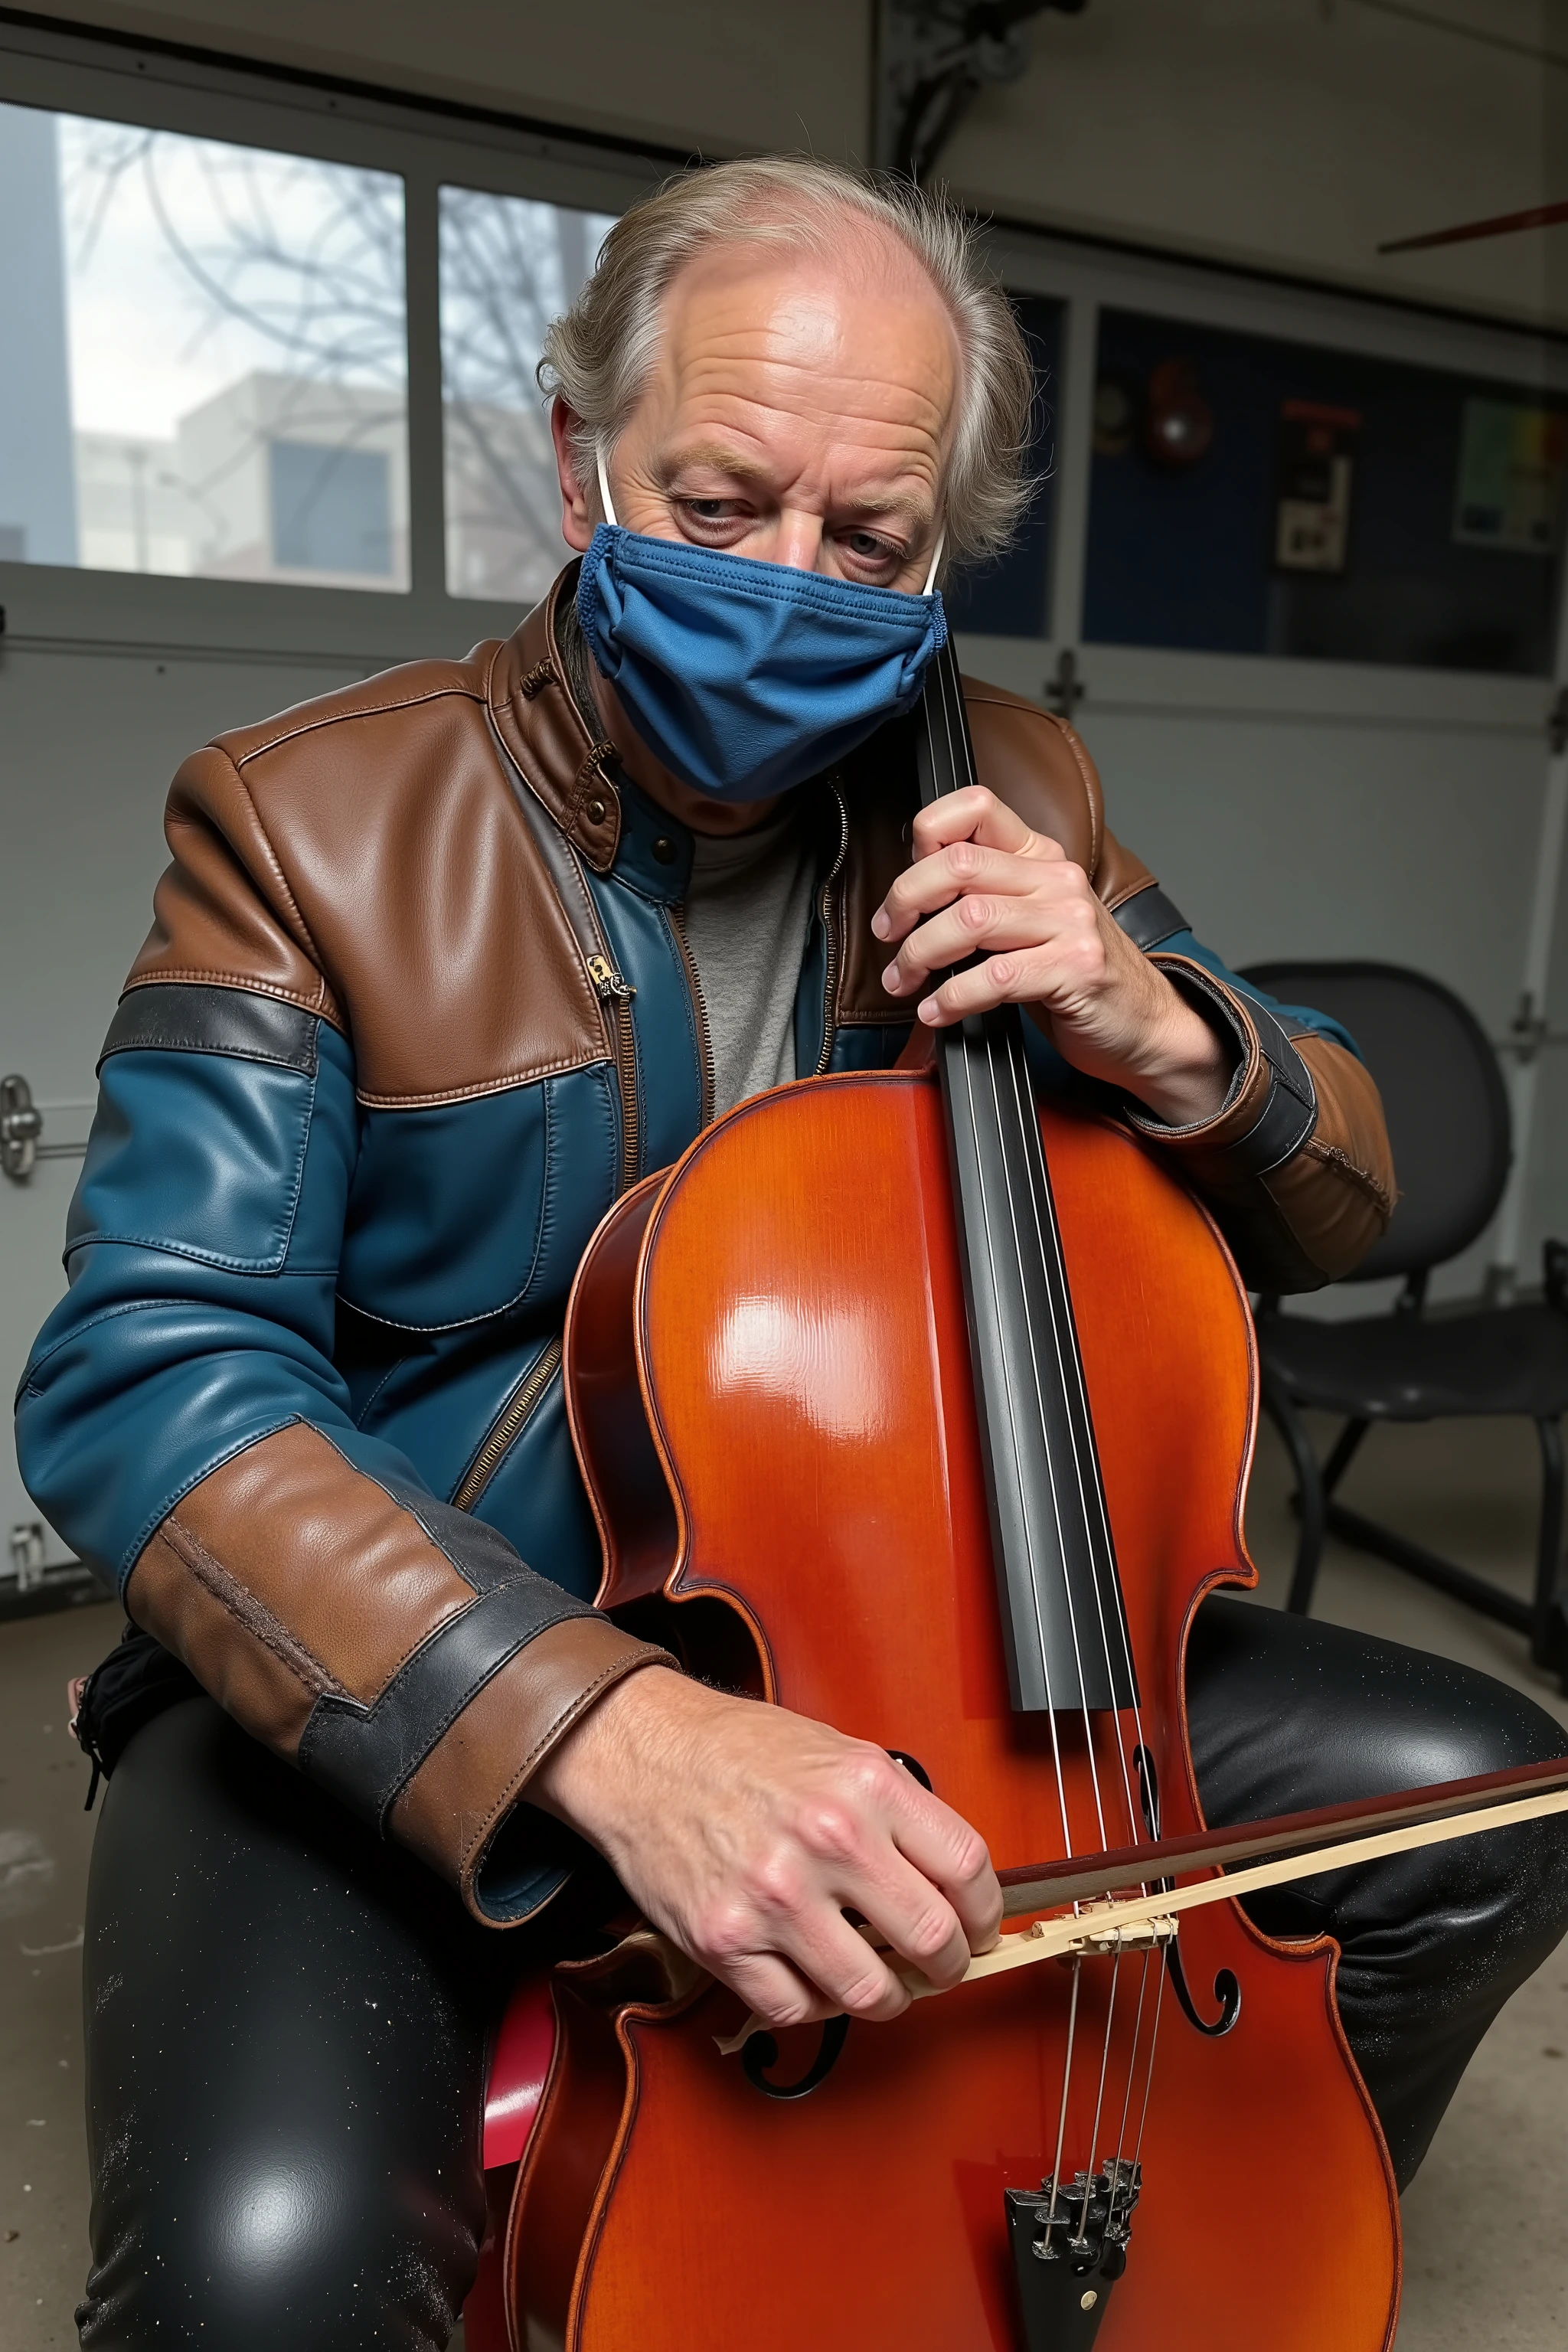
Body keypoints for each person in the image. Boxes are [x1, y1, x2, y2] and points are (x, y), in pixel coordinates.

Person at [17, 157, 1568, 2350]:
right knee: (258, 2283)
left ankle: (1200, 2247)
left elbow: (1351, 1205)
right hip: (401, 1654)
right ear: (583, 462)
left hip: (897, 1624)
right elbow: (143, 1380)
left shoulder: (1009, 789)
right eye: (721, 500)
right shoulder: (313, 827)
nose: (788, 582)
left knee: (1465, 1817)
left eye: (876, 541)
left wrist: (1175, 1027)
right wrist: (605, 1736)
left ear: (951, 538)